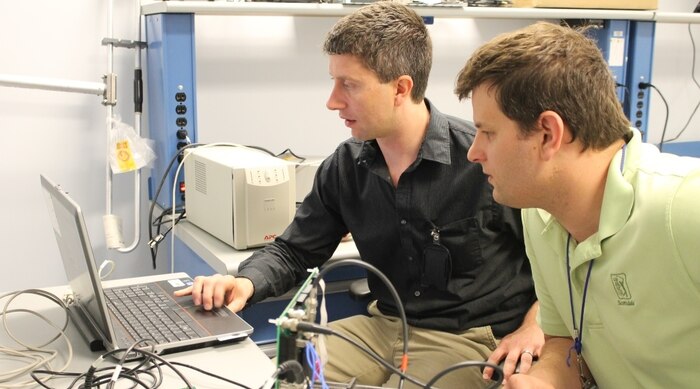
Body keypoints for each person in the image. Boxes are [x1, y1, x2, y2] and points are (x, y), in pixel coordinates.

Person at [176, 2, 542, 387]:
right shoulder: (348, 165)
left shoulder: (481, 160)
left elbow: (559, 264)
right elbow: (295, 251)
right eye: (334, 82)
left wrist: (536, 326)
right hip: (384, 326)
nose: (332, 101)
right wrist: (245, 282)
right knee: (280, 378)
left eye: (348, 85)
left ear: (401, 88)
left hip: (467, 338)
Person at [455, 21, 700, 389]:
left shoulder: (684, 207)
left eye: (488, 132)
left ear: (549, 134)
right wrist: (545, 381)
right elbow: (564, 342)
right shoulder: (539, 217)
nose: (474, 152)